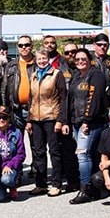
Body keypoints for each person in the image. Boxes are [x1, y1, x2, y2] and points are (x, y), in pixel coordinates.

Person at [27, 47, 68, 197]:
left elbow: (64, 98)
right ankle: (41, 184)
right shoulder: (34, 75)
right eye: (39, 59)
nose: (42, 61)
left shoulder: (57, 74)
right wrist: (29, 120)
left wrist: (60, 120)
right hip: (36, 119)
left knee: (54, 151)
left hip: (51, 117)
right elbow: (31, 99)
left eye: (44, 58)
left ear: (48, 59)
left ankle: (56, 184)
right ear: (36, 61)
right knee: (38, 152)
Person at [68, 48, 106, 204]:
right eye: (77, 60)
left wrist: (86, 120)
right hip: (76, 122)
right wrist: (68, 121)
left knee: (82, 155)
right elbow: (70, 100)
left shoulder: (95, 75)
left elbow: (93, 98)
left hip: (91, 122)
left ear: (89, 60)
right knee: (87, 154)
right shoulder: (77, 76)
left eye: (83, 59)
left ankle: (85, 189)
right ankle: (94, 188)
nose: (80, 62)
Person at [0, 35, 36, 131]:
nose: (23, 47)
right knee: (16, 143)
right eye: (21, 45)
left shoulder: (38, 64)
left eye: (26, 45)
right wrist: (5, 109)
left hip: (34, 110)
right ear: (17, 47)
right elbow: (4, 89)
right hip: (16, 110)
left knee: (36, 144)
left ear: (31, 46)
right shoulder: (10, 65)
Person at [0, 106, 25, 200]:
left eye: (4, 117)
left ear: (9, 118)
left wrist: (10, 165)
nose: (1, 119)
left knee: (6, 180)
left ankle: (12, 185)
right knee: (0, 198)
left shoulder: (16, 132)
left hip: (10, 167)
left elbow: (21, 154)